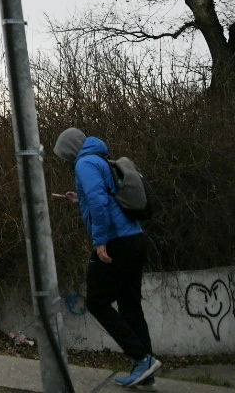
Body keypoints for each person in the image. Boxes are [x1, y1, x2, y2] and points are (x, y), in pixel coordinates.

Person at [54, 127, 160, 388]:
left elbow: (100, 203)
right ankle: (145, 370)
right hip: (134, 238)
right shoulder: (100, 158)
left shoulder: (84, 164)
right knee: (129, 305)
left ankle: (141, 358)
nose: (63, 160)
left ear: (69, 150)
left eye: (62, 154)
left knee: (97, 302)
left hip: (116, 242)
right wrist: (79, 199)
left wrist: (100, 242)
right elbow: (105, 197)